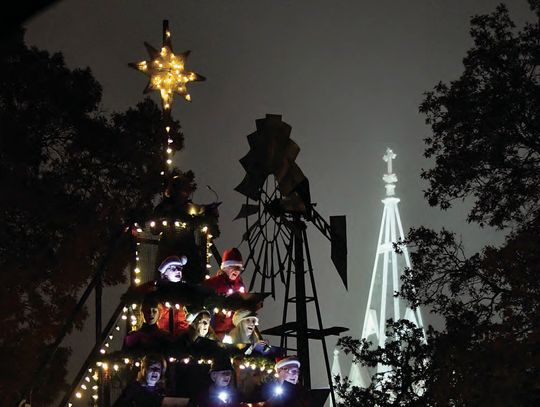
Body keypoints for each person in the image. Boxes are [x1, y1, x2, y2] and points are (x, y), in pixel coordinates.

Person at [203, 248, 247, 338]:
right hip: (214, 333)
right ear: (225, 267)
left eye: (240, 268)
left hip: (233, 333)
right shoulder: (212, 284)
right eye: (234, 267)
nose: (237, 271)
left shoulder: (240, 286)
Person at [156, 255, 190, 336]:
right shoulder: (158, 293)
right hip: (162, 338)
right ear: (165, 273)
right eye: (174, 268)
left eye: (180, 268)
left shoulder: (186, 293)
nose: (178, 271)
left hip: (181, 340)